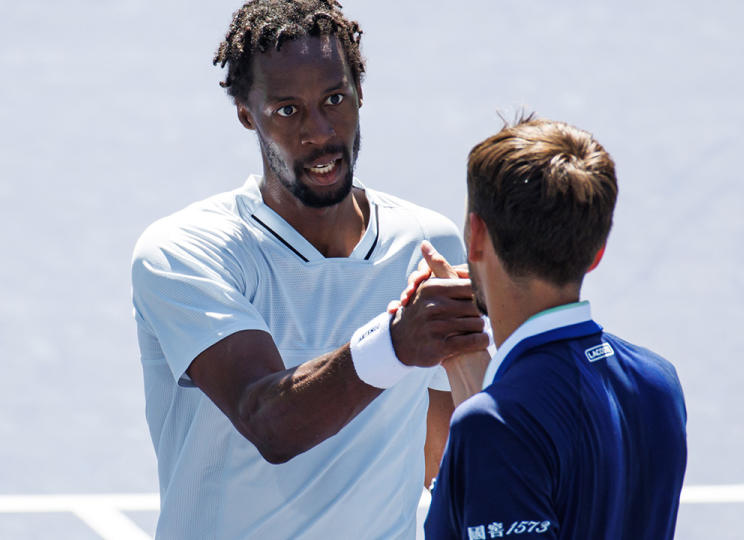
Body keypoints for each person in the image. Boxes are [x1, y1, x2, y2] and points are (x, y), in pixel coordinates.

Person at [129, 1, 489, 538]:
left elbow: (435, 457)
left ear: (360, 93)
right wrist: (394, 342)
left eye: (335, 100)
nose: (319, 132)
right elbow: (268, 420)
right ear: (246, 113)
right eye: (288, 110)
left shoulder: (428, 244)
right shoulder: (186, 250)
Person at [420, 116, 688, 539]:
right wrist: (467, 367)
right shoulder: (658, 383)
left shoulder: (491, 426)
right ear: (597, 251)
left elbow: (515, 439)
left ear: (474, 237)